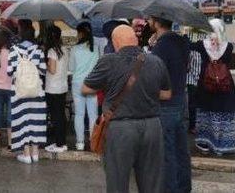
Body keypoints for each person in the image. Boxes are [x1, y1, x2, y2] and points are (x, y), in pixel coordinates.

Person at [82, 25, 172, 193]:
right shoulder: (155, 61)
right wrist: (146, 90)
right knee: (152, 184)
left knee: (118, 183)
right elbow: (166, 94)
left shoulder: (108, 61)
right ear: (136, 41)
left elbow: (86, 88)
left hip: (121, 129)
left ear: (115, 43)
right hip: (153, 127)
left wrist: (110, 86)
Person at [149, 16, 192, 193]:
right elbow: (186, 66)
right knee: (182, 150)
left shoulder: (162, 46)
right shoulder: (182, 41)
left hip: (166, 104)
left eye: (150, 19)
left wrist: (153, 50)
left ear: (157, 23)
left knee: (167, 153)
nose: (148, 21)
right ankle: (184, 187)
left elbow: (154, 75)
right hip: (181, 99)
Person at [192, 19, 235, 155]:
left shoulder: (202, 44)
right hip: (224, 87)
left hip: (206, 86)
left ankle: (205, 145)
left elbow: (187, 45)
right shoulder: (228, 46)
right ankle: (222, 146)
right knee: (222, 115)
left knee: (206, 114)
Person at [8, 20, 47, 164]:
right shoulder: (38, 50)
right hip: (36, 91)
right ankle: (35, 153)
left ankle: (26, 154)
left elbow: (9, 72)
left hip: (19, 92)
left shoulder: (13, 50)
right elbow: (43, 70)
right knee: (35, 121)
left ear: (20, 32)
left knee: (23, 120)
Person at [69, 22, 99, 151]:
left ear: (80, 33)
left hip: (77, 84)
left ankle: (80, 143)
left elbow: (71, 68)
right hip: (92, 83)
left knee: (79, 114)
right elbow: (99, 66)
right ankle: (93, 142)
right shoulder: (96, 48)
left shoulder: (75, 49)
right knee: (93, 114)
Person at [44, 24, 69, 153]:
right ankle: (61, 142)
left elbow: (52, 70)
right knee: (61, 116)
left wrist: (45, 65)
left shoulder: (52, 51)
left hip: (52, 88)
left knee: (55, 117)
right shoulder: (65, 49)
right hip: (62, 86)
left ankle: (59, 144)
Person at [186, 46, 201, 135]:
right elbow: (194, 69)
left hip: (192, 80)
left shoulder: (191, 51)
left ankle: (194, 125)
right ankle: (192, 126)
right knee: (192, 104)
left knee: (193, 104)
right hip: (193, 81)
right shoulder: (194, 52)